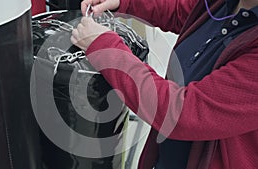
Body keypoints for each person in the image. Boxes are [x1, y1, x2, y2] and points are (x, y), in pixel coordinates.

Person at [70, 0, 258, 168]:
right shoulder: (227, 4)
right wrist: (125, 2)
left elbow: (183, 113)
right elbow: (180, 10)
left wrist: (106, 49)